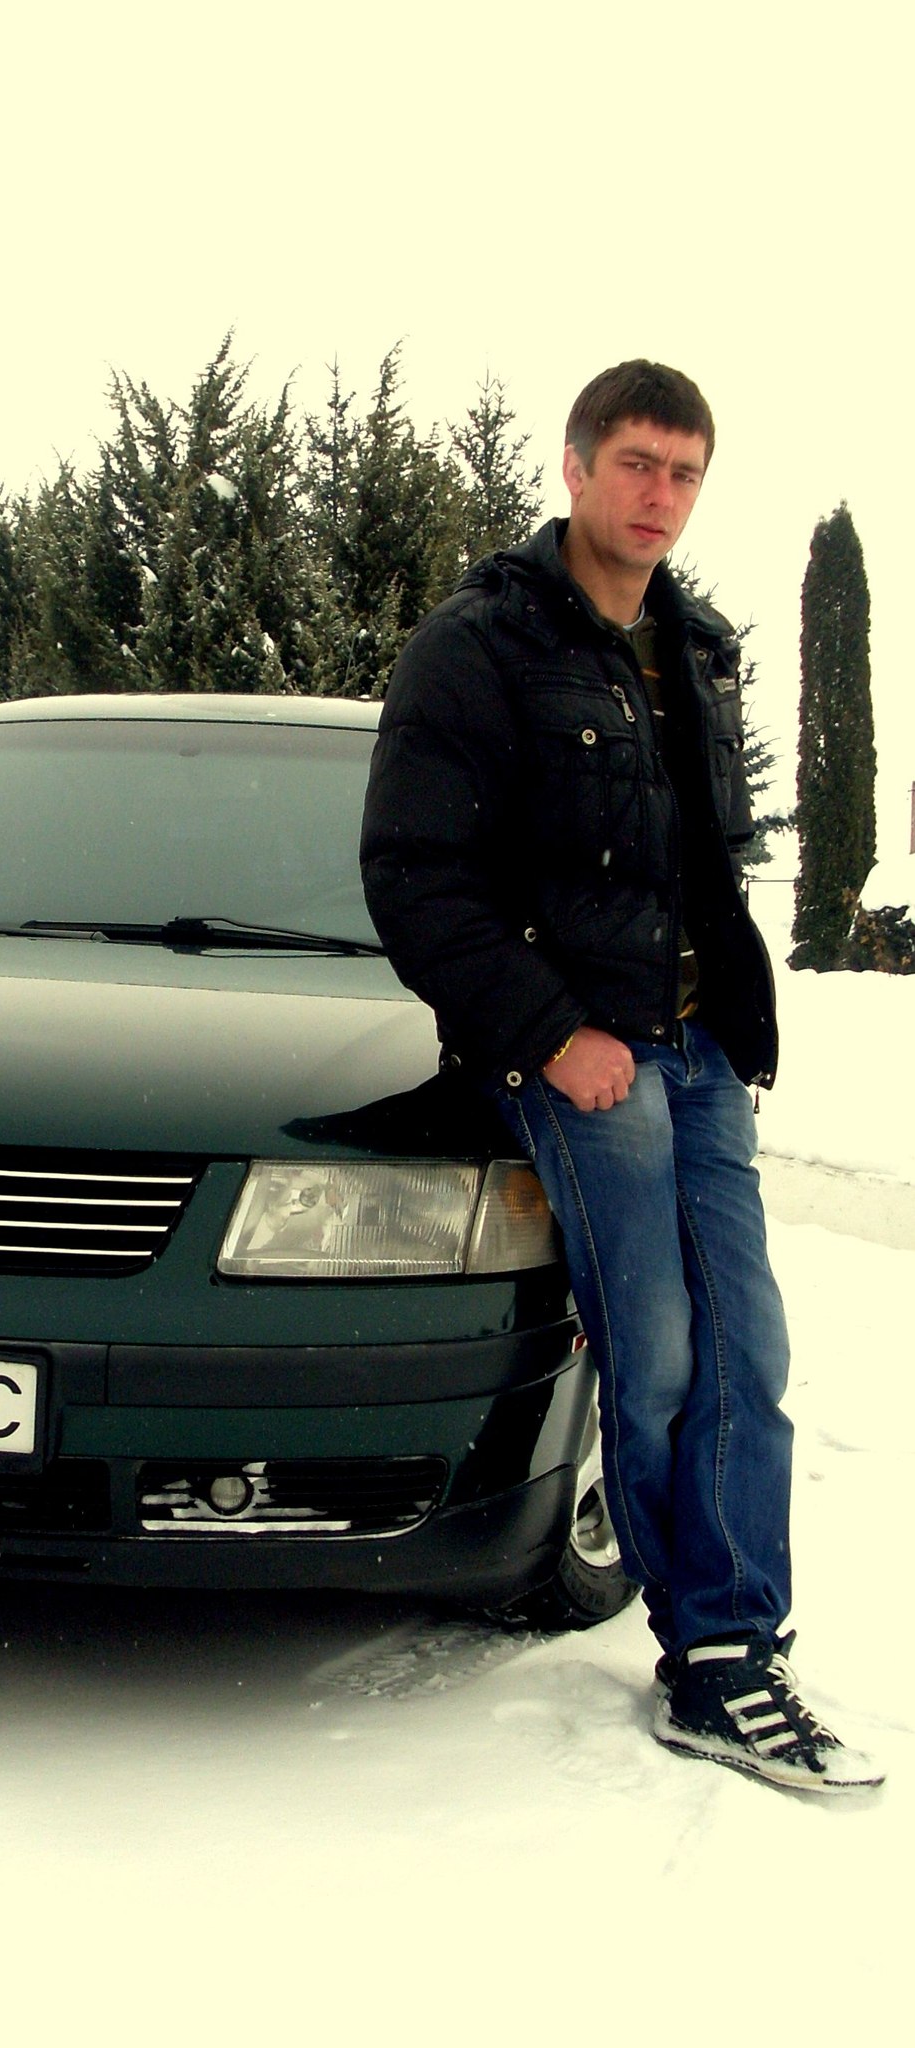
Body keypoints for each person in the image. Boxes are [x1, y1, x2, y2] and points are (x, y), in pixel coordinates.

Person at [360, 359, 882, 1794]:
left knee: (748, 1355)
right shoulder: (480, 644)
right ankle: (710, 1650)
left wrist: (738, 1027)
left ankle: (734, 1643)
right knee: (651, 1358)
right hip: (583, 1058)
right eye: (638, 463)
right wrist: (554, 1036)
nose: (661, 495)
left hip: (699, 1055)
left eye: (685, 472)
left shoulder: (694, 648)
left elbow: (701, 865)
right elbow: (415, 876)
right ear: (577, 466)